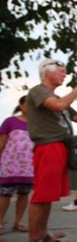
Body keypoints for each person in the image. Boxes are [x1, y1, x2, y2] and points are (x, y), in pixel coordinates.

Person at [23, 59, 77, 242]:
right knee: (41, 195)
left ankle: (41, 234)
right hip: (47, 146)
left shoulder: (59, 98)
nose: (64, 75)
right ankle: (33, 240)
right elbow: (57, 105)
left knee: (47, 195)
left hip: (60, 146)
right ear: (47, 73)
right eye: (61, 71)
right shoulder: (38, 91)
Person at [0, 96, 33, 233]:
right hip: (10, 164)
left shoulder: (37, 124)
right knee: (5, 194)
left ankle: (17, 222)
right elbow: (2, 142)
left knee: (24, 194)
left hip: (28, 166)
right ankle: (0, 222)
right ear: (21, 105)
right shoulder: (10, 121)